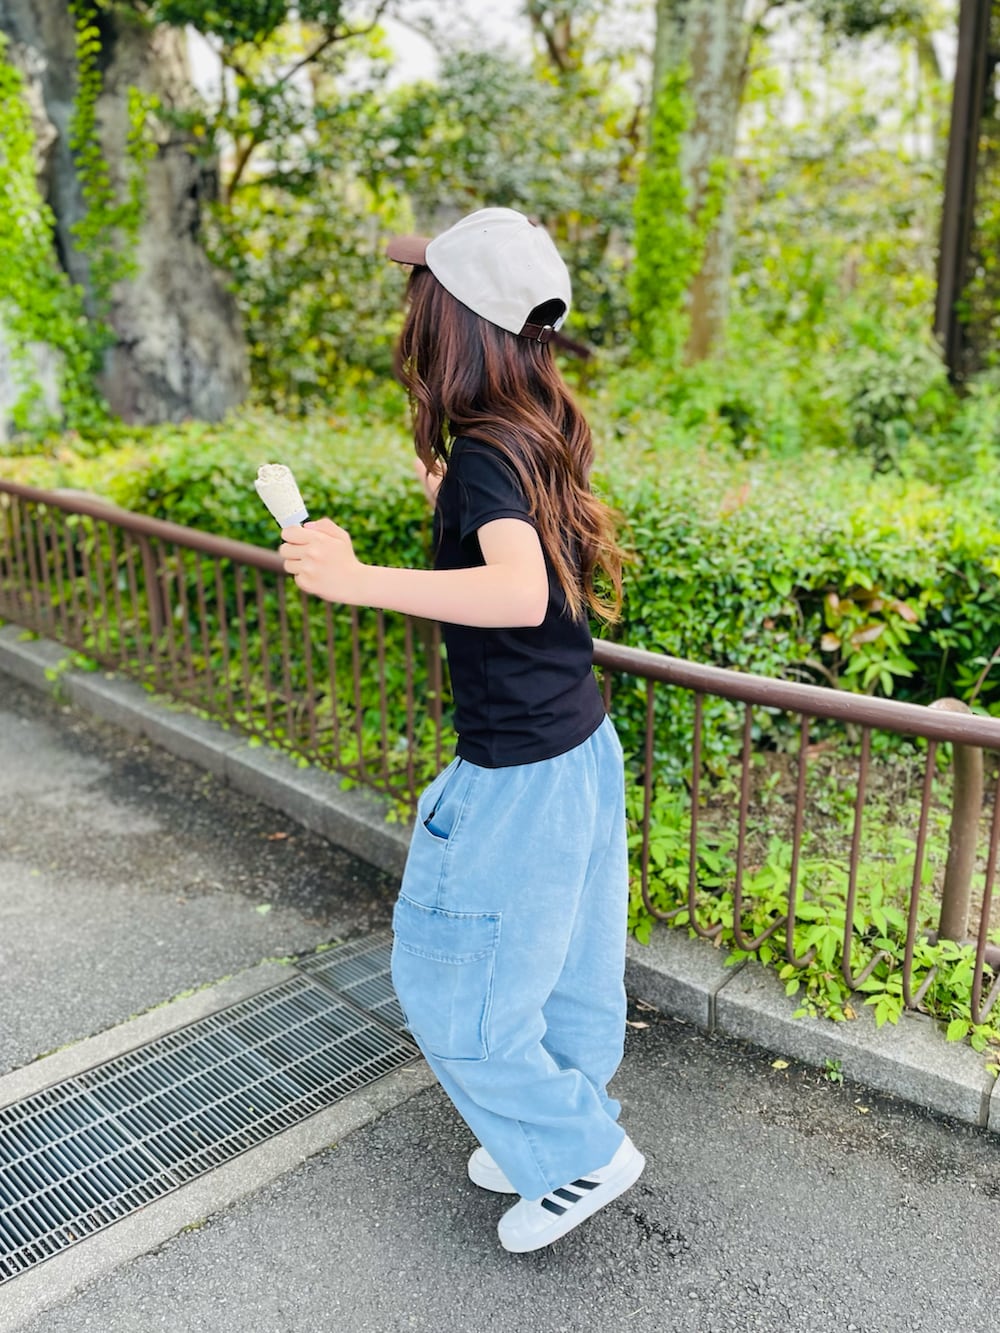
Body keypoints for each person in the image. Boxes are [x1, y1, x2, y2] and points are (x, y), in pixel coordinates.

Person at [279, 206, 644, 1253]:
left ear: (454, 326)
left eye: (421, 298)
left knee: (453, 982)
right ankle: (552, 1124)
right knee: (564, 966)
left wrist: (354, 580)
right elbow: (524, 563)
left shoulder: (489, 452)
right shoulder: (529, 434)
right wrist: (451, 501)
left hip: (519, 771)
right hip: (578, 750)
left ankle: (577, 1155)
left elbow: (520, 592)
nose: (410, 316)